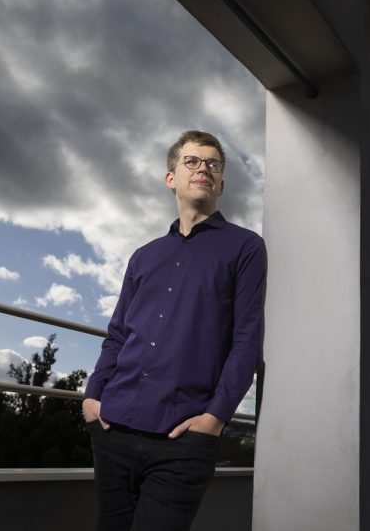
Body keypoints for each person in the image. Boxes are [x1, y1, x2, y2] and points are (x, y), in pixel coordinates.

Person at [82, 130, 267, 531]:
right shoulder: (143, 256)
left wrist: (214, 419)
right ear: (171, 177)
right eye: (192, 161)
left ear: (221, 184)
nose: (204, 168)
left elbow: (246, 341)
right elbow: (117, 334)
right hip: (113, 425)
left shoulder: (246, 248)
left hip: (184, 437)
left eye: (213, 164)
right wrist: (92, 397)